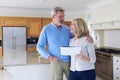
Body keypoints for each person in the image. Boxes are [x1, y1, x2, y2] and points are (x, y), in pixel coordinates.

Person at [37, 7, 93, 80]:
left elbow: (78, 36)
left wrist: (88, 37)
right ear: (53, 17)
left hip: (70, 61)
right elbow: (39, 46)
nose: (63, 18)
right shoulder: (46, 29)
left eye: (63, 16)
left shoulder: (66, 28)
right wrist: (49, 57)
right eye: (60, 16)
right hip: (56, 62)